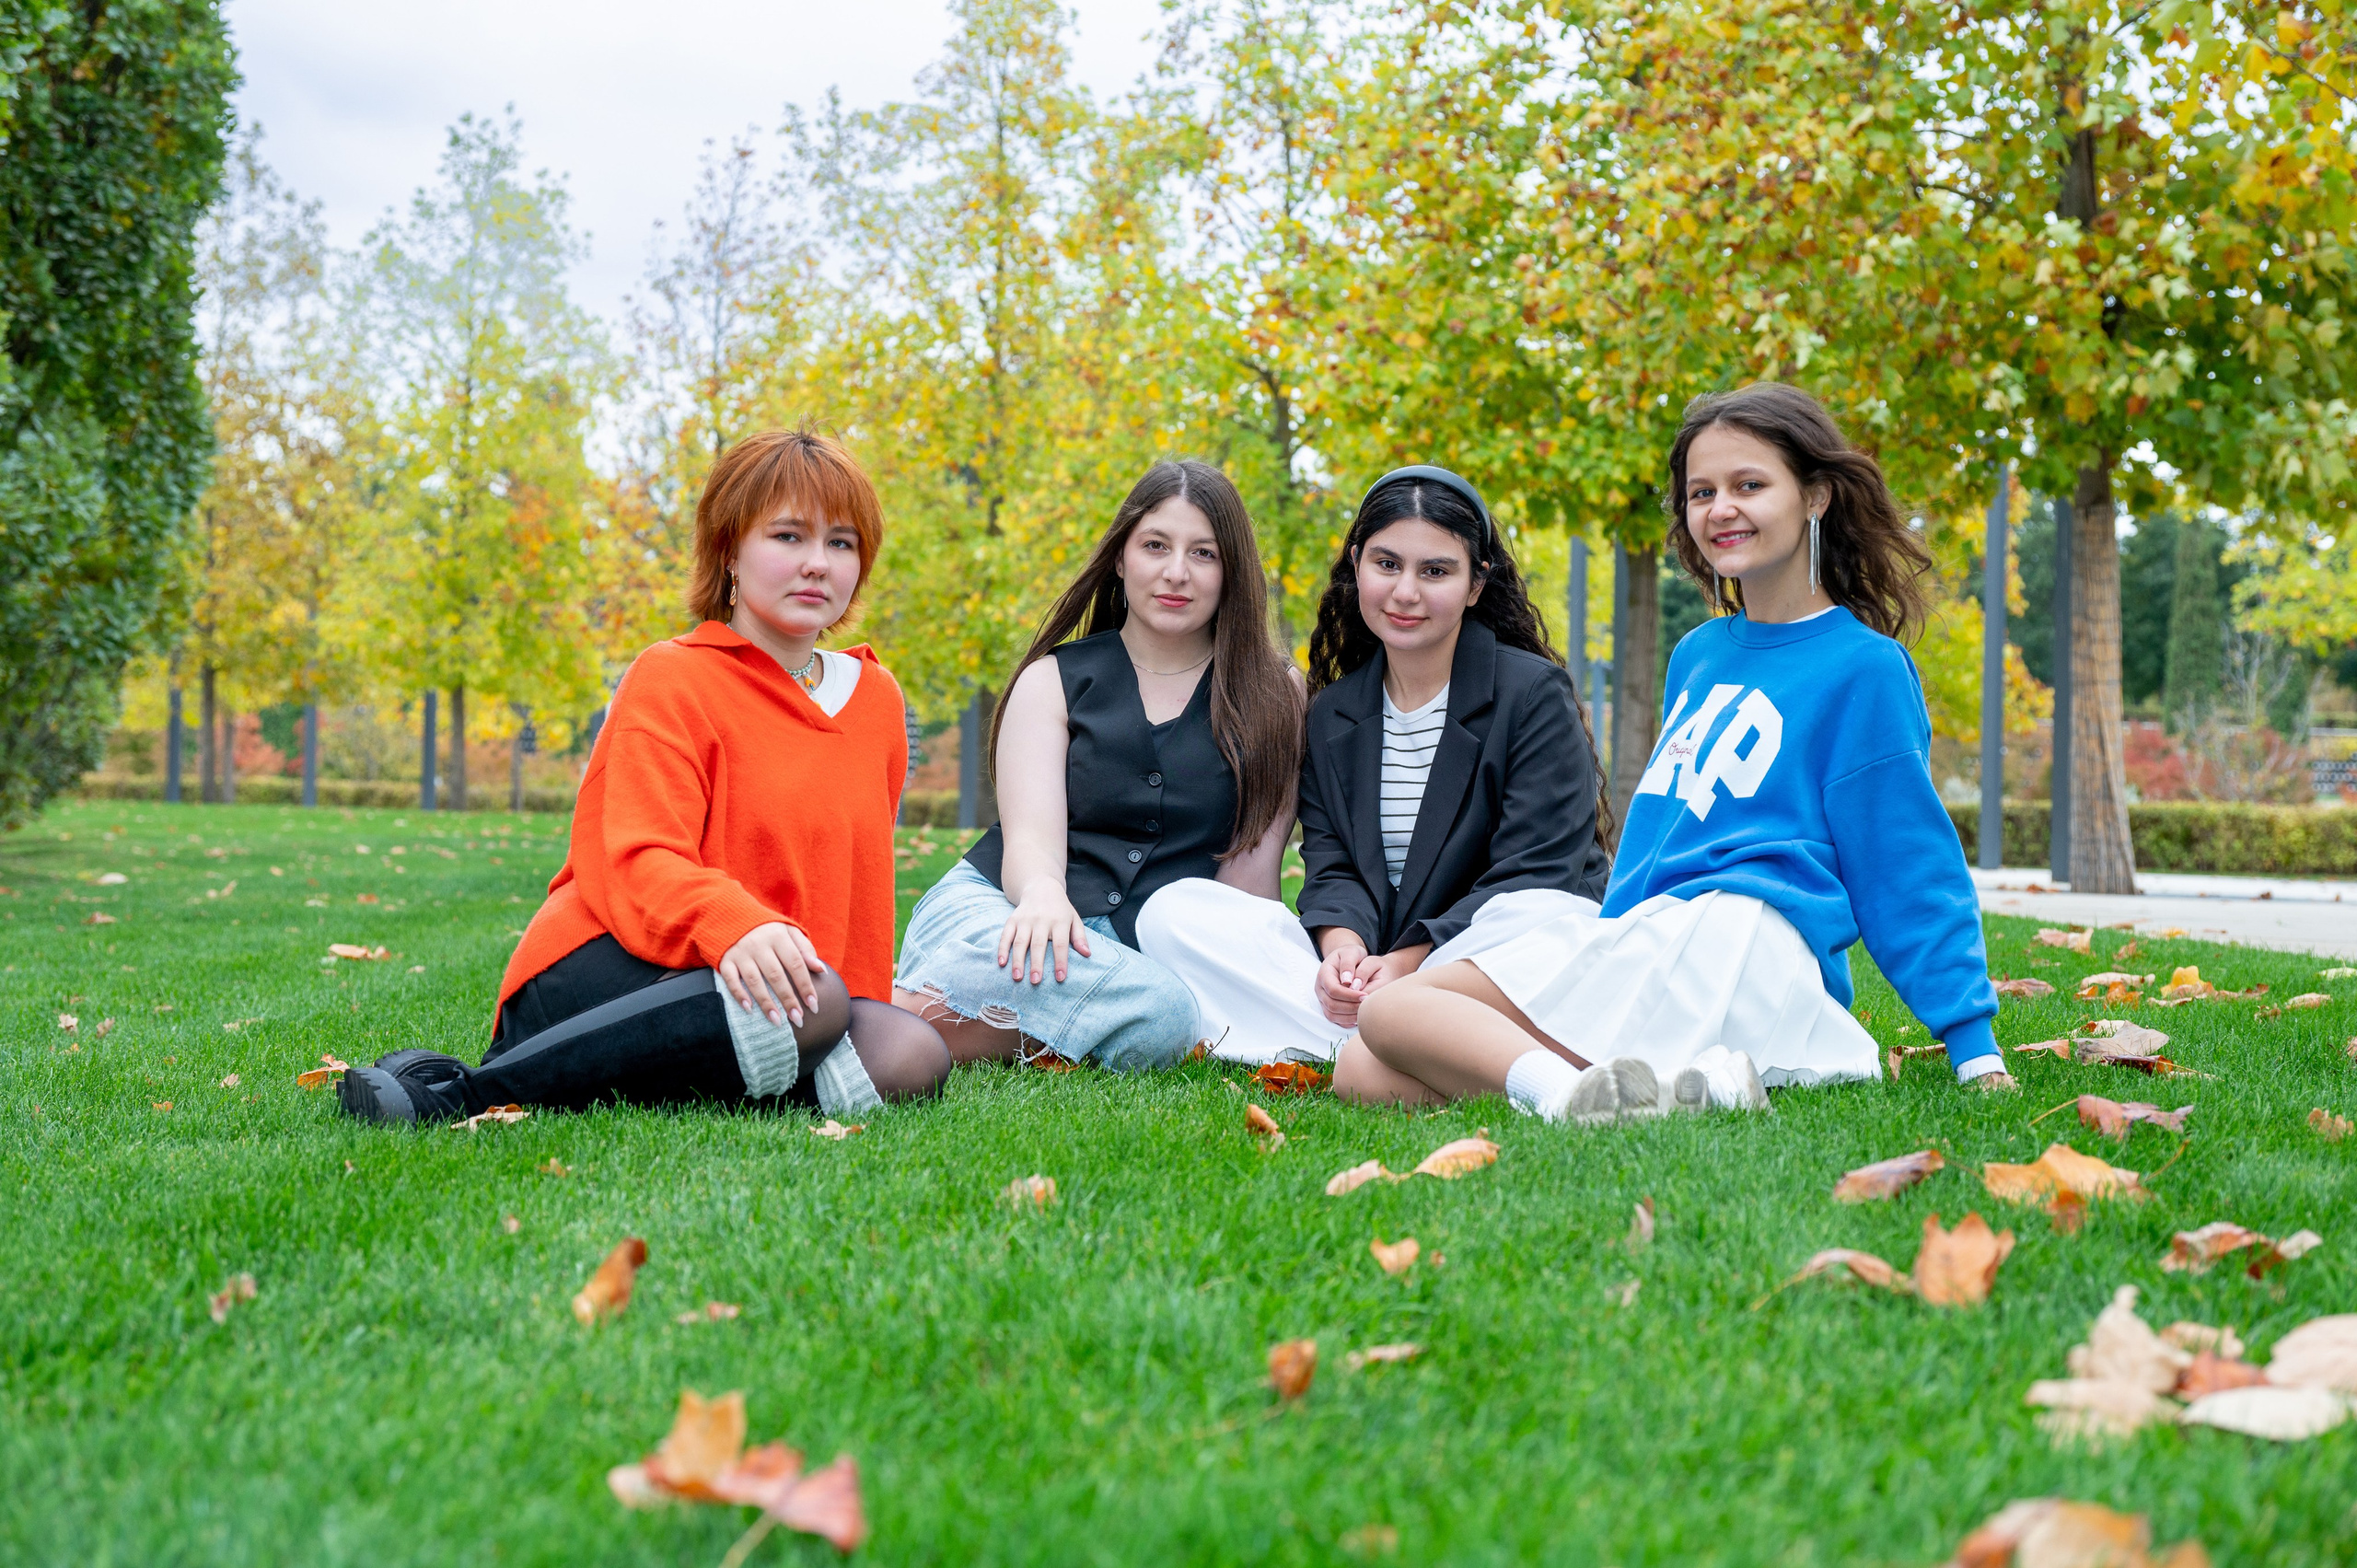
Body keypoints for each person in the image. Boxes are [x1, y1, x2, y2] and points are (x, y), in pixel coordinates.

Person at [1351, 384, 2008, 1121]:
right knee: (1363, 1061)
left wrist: (1973, 1045)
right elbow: (1661, 832)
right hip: (1649, 934)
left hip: (1744, 940)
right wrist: (1603, 946)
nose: (1720, 508)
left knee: (1392, 1022)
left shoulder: (1865, 667)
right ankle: (1631, 1093)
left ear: (1816, 495)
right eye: (1701, 492)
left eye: (1748, 485)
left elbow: (1906, 860)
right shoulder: (1698, 653)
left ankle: (1572, 1094)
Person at [338, 428, 951, 1123]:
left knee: (911, 1053)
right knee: (823, 1002)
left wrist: (839, 1010)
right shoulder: (673, 675)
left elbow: (859, 885)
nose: (818, 563)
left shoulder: (877, 699)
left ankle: (756, 1055)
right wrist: (740, 928)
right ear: (729, 552)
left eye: (841, 543)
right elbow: (634, 858)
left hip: (769, 991)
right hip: (617, 966)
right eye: (788, 536)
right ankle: (453, 1094)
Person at [1137, 466, 1611, 1066]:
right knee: (1174, 912)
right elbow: (1332, 866)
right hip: (1383, 969)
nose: (1405, 591)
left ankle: (1392, 1034)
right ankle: (1373, 1039)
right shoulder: (1333, 712)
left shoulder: (1531, 693)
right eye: (1387, 564)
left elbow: (1535, 873)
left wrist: (1407, 964)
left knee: (1543, 914)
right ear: (1358, 564)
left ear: (1475, 583)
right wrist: (1344, 949)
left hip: (1489, 957)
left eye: (1435, 571)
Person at [891, 459, 1302, 1070]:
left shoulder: (1277, 694)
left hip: (1135, 961)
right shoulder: (1053, 679)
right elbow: (1029, 842)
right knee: (1152, 1008)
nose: (1176, 572)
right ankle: (907, 1014)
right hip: (1009, 910)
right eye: (1155, 545)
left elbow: (1248, 886)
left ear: (1231, 570)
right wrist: (1043, 896)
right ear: (1120, 557)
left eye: (1204, 553)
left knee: (1165, 1012)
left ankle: (899, 1018)